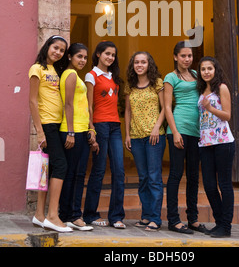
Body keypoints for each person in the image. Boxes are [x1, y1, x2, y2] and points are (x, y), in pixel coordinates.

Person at [28, 35, 73, 233]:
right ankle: (53, 216)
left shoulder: (56, 70)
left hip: (57, 124)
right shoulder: (36, 68)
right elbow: (32, 101)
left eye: (62, 50)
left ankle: (39, 214)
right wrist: (39, 131)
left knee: (49, 169)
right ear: (48, 46)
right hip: (46, 125)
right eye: (55, 48)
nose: (58, 52)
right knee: (61, 165)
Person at [164, 41, 205, 234]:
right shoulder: (170, 78)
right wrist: (175, 132)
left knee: (194, 176)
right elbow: (166, 107)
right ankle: (173, 220)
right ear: (175, 57)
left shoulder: (197, 75)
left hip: (196, 131)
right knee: (176, 174)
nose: (187, 59)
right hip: (178, 129)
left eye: (189, 56)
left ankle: (193, 219)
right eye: (183, 56)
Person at [83, 41, 126, 229]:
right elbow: (88, 105)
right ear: (99, 54)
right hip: (99, 126)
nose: (110, 57)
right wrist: (90, 128)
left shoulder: (114, 76)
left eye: (113, 55)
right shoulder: (91, 75)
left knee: (119, 171)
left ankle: (116, 216)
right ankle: (90, 215)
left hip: (115, 125)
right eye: (107, 54)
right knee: (99, 171)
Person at [124, 52, 166, 231]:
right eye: (136, 62)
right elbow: (127, 111)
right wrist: (127, 134)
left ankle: (155, 219)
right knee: (143, 178)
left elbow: (165, 108)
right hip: (136, 136)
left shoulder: (158, 82)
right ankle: (146, 216)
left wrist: (157, 127)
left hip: (154, 136)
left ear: (149, 64)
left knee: (154, 177)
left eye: (143, 62)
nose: (139, 65)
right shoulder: (130, 86)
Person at [59, 43, 96, 231]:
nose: (82, 60)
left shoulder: (74, 75)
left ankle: (67, 215)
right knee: (75, 174)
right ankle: (73, 215)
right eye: (79, 56)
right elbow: (68, 105)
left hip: (80, 130)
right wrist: (72, 132)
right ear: (70, 57)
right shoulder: (71, 75)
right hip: (73, 131)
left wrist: (90, 128)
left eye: (84, 57)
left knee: (75, 173)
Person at [197, 56, 235, 238]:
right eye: (203, 69)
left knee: (224, 184)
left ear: (215, 69)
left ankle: (225, 226)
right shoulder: (201, 89)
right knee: (209, 185)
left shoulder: (221, 87)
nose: (206, 72)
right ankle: (219, 222)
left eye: (209, 69)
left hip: (223, 142)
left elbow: (227, 115)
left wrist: (210, 108)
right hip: (206, 143)